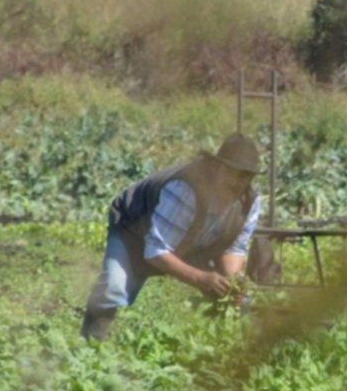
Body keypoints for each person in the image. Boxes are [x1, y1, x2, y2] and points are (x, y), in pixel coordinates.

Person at [80, 133, 263, 341]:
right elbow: (155, 251)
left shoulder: (249, 202)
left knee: (235, 299)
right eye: (231, 172)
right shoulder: (185, 189)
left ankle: (222, 349)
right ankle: (90, 344)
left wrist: (232, 283)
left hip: (194, 242)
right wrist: (200, 278)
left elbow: (234, 249)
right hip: (135, 229)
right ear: (216, 166)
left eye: (244, 176)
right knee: (114, 287)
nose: (236, 181)